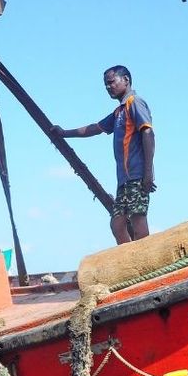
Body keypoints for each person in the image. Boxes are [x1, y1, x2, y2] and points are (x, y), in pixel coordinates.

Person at [52, 65, 156, 244]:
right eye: (105, 85)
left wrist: (148, 173)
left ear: (126, 80)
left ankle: (149, 263)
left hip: (137, 175)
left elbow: (148, 133)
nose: (108, 87)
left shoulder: (135, 103)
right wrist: (64, 133)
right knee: (117, 224)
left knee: (138, 220)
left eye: (111, 82)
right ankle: (129, 261)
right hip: (124, 180)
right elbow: (94, 128)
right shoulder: (118, 112)